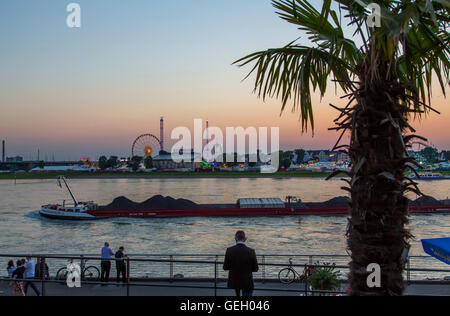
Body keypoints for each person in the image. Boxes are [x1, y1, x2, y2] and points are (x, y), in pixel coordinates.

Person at [223, 231, 259, 297]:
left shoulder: (229, 250)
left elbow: (225, 267)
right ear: (245, 239)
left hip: (234, 279)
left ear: (235, 239)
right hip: (247, 280)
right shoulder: (251, 251)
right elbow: (256, 269)